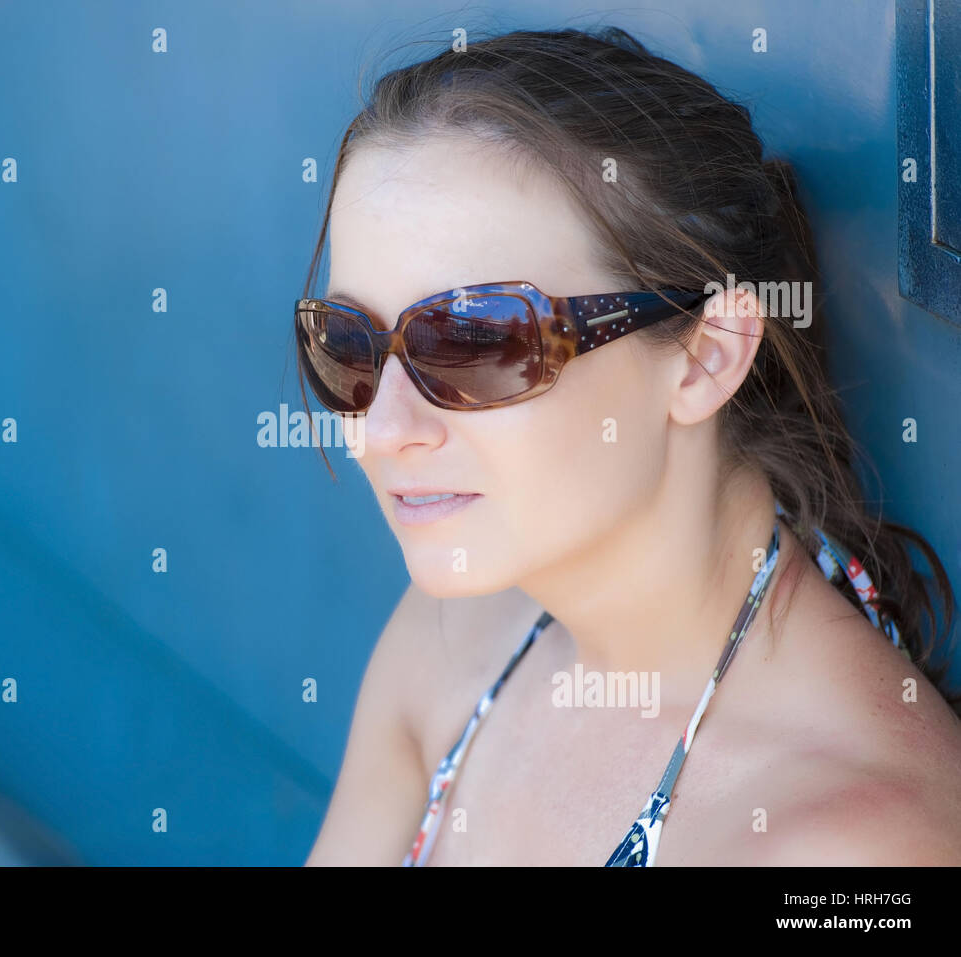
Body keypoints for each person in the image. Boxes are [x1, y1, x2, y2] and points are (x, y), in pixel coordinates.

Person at [298, 26, 961, 866]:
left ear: (706, 356)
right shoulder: (451, 639)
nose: (382, 431)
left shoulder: (858, 849)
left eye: (474, 340)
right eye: (347, 345)